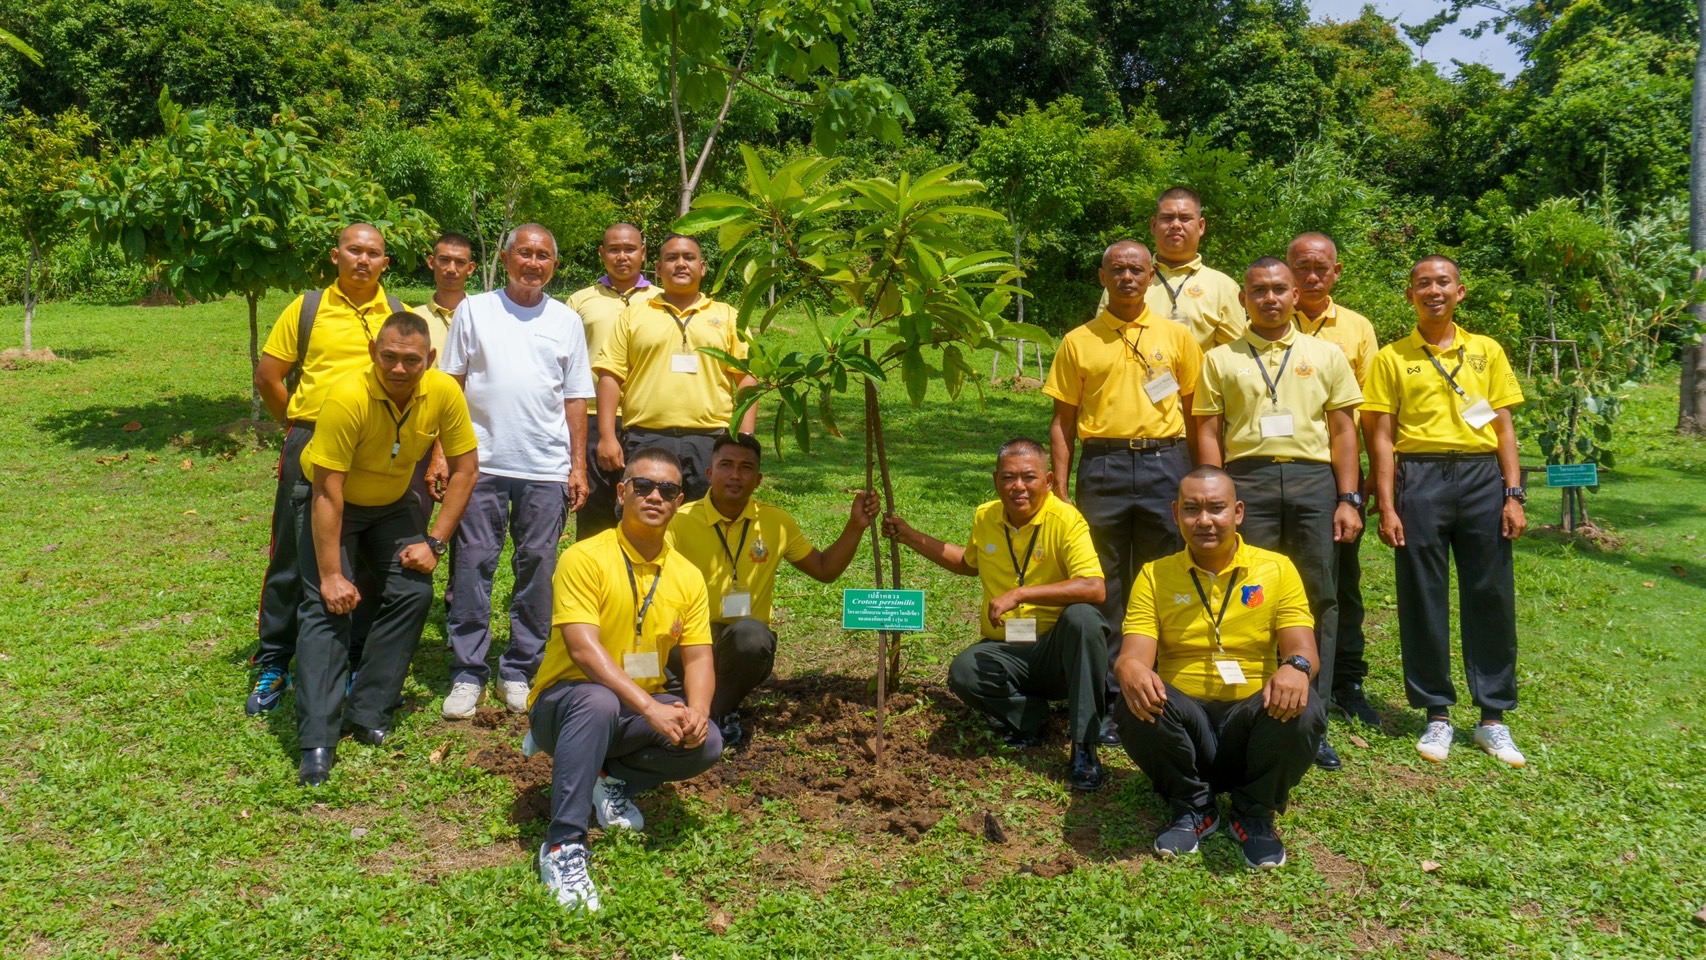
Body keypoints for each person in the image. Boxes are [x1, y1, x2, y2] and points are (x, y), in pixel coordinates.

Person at [529, 447, 722, 913]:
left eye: (669, 490)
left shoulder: (687, 576)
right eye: (644, 486)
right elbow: (582, 649)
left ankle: (607, 778)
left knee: (708, 741)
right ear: (621, 493)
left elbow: (698, 658)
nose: (656, 496)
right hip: (565, 704)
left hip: (633, 707)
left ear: (679, 502)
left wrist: (695, 711)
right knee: (595, 701)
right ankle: (563, 845)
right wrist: (652, 708)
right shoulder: (584, 557)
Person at [293, 312, 480, 787]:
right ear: (375, 352)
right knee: (325, 607)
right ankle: (317, 738)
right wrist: (333, 575)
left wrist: (435, 541)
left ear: (430, 359)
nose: (399, 369)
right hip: (334, 503)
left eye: (411, 360)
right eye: (390, 357)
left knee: (413, 592)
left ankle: (369, 707)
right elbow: (327, 491)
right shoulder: (347, 397)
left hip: (393, 504)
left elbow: (465, 469)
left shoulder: (443, 392)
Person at [1193, 256, 1363, 772]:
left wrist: (1347, 498)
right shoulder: (1220, 359)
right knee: (1251, 594)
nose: (1269, 298)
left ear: (1295, 296)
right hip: (1249, 480)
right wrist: (1211, 493)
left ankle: (1314, 714)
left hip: (1314, 482)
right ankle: (1252, 710)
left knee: (1319, 596)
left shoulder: (1326, 355)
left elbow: (1342, 431)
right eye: (1258, 290)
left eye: (1278, 290)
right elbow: (1207, 430)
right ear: (1243, 299)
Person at [1362, 255, 1528, 767]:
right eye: (1422, 284)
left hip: (1481, 478)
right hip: (1421, 478)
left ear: (1460, 291)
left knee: (1490, 592)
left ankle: (1493, 718)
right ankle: (1436, 714)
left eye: (1442, 282)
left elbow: (1502, 427)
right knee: (1422, 595)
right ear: (1410, 294)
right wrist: (1387, 505)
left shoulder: (1486, 351)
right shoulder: (1391, 357)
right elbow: (1382, 438)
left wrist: (1513, 493)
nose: (1433, 290)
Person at [1113, 467, 1325, 869]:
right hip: (1184, 725)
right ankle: (1193, 807)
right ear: (1176, 513)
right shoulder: (1155, 575)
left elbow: (1303, 648)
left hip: (1251, 720)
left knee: (1305, 705)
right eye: (1192, 509)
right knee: (1132, 696)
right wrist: (1129, 669)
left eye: (1216, 508)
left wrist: (1295, 667)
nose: (1204, 520)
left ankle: (1254, 814)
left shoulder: (1277, 569)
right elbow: (1133, 654)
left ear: (1238, 512)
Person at [883, 439, 1110, 792]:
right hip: (1008, 651)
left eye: (1029, 477)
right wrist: (908, 534)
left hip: (1059, 656)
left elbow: (1095, 587)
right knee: (965, 670)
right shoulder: (986, 516)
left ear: (1048, 480)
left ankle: (1084, 749)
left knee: (1084, 618)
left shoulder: (1066, 519)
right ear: (995, 480)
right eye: (1008, 477)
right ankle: (1031, 717)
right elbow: (967, 563)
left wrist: (1021, 593)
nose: (1018, 486)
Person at [1045, 239, 1202, 747]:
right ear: (1102, 277)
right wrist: (1061, 489)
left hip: (1165, 462)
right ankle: (1113, 697)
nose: (1128, 277)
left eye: (1137, 269)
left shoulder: (1177, 337)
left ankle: (1167, 688)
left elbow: (1197, 413)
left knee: (1163, 576)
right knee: (1106, 581)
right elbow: (1062, 421)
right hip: (1104, 465)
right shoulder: (1078, 340)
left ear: (1152, 275)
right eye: (1118, 269)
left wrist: (1198, 478)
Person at [247, 224, 407, 715]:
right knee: (295, 555)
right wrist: (298, 427)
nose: (363, 259)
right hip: (312, 441)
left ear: (385, 262)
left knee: (359, 553)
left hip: (374, 448)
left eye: (373, 253)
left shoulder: (397, 313)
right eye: (354, 250)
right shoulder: (308, 307)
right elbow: (270, 377)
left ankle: (351, 656)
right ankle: (275, 659)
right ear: (336, 255)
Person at [439, 224, 595, 719]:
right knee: (473, 563)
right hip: (479, 463)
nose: (533, 262)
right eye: (524, 253)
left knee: (538, 566)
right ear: (506, 260)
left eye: (543, 255)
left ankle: (519, 668)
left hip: (545, 467)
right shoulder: (475, 310)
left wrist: (577, 466)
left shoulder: (566, 320)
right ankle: (468, 671)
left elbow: (575, 398)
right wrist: (443, 452)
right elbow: (451, 386)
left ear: (554, 264)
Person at [665, 434, 879, 744]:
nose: (735, 475)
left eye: (746, 467)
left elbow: (824, 569)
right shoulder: (678, 522)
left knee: (752, 638)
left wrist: (855, 525)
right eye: (726, 465)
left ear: (758, 479)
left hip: (740, 641)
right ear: (709, 473)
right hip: (687, 639)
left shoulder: (776, 523)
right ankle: (701, 711)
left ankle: (712, 715)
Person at [1286, 232, 1382, 728]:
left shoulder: (1357, 329)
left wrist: (1358, 483)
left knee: (1339, 583)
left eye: (1321, 266)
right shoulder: (1263, 318)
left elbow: (1365, 415)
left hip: (1333, 473)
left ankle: (1346, 679)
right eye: (1301, 266)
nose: (1311, 274)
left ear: (1337, 271)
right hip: (1275, 473)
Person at [593, 233, 759, 502]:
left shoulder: (728, 316)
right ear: (658, 269)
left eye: (689, 257)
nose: (680, 264)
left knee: (710, 521)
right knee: (645, 522)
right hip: (646, 438)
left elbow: (747, 380)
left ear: (702, 267)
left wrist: (745, 437)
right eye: (671, 258)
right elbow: (610, 375)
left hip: (712, 439)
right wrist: (607, 436)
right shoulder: (634, 315)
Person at [567, 223, 660, 539]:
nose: (623, 256)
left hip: (647, 418)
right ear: (602, 254)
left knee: (646, 508)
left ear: (643, 253)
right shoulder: (579, 302)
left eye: (630, 249)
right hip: (592, 419)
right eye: (615, 249)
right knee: (595, 510)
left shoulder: (663, 300)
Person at [1097, 188, 1245, 349]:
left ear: (1201, 226)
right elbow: (1101, 340)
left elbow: (1232, 358)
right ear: (1153, 225)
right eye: (1167, 218)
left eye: (1185, 218)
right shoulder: (1124, 281)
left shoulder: (1224, 287)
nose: (1175, 225)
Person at [408, 233, 478, 525]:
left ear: (470, 268)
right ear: (430, 262)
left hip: (469, 434)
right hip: (418, 431)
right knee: (410, 515)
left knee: (469, 527)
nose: (451, 269)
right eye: (444, 260)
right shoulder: (412, 318)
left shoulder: (483, 317)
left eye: (459, 262)